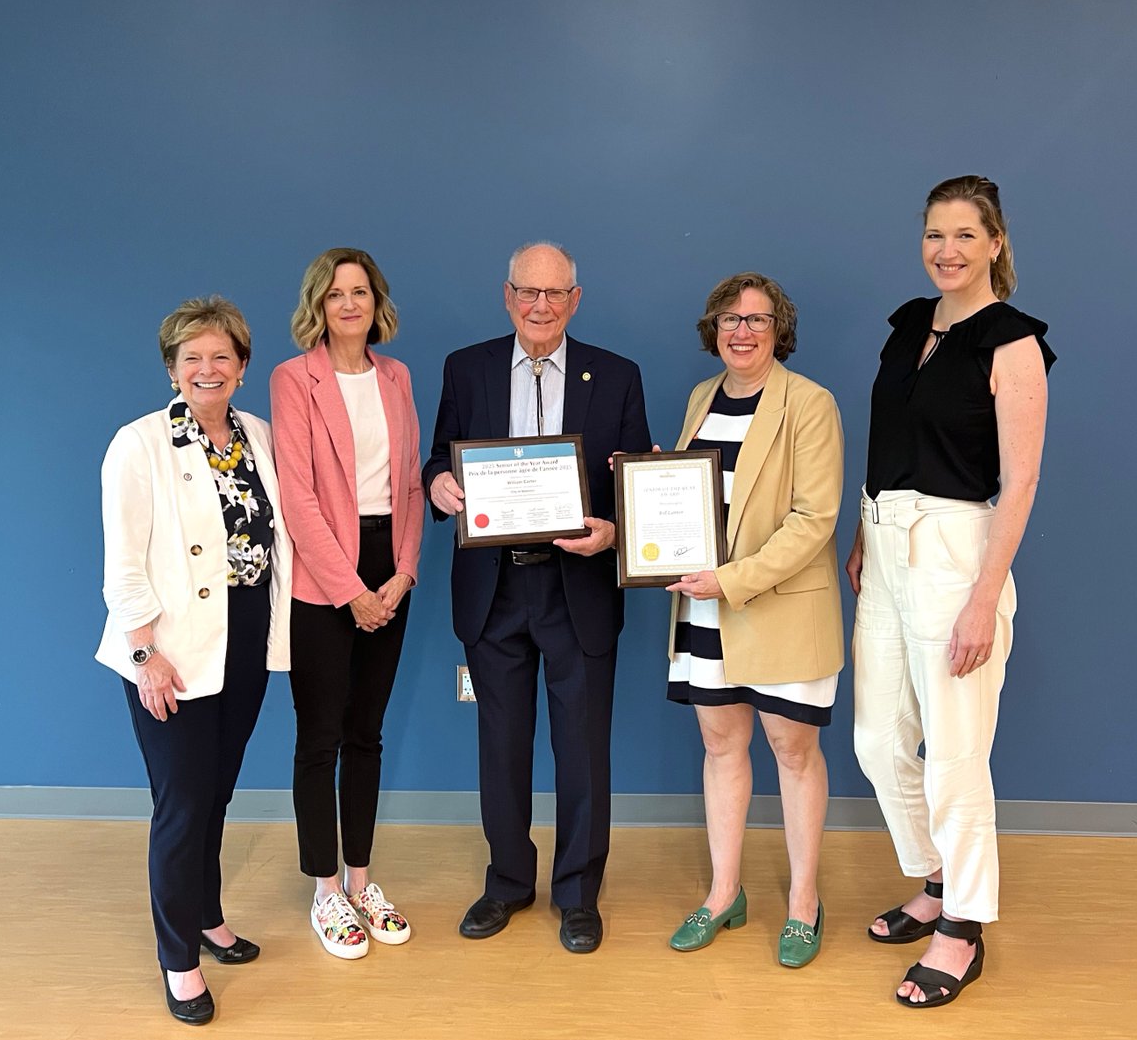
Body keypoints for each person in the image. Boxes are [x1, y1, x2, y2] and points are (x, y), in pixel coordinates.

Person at [849, 175, 1055, 1008]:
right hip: (885, 542)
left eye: (966, 235)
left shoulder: (1012, 344)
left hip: (955, 553)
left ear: (996, 244)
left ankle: (962, 926)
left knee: (955, 753)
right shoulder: (906, 327)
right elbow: (886, 440)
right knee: (877, 740)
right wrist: (866, 537)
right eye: (936, 234)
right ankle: (936, 877)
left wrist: (983, 596)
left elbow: (1023, 480)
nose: (948, 250)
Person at [422, 241, 651, 953]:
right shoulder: (468, 367)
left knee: (582, 748)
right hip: (493, 586)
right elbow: (438, 456)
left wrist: (614, 531)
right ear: (508, 295)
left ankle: (578, 895)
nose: (541, 306)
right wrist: (438, 485)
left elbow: (637, 476)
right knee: (502, 745)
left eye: (555, 294)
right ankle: (507, 883)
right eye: (528, 292)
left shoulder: (616, 376)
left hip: (574, 584)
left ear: (575, 300)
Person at [97, 296, 291, 1025]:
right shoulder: (138, 444)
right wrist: (144, 652)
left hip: (244, 637)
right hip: (169, 647)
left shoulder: (262, 438)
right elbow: (122, 564)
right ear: (172, 370)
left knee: (216, 792)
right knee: (181, 804)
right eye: (191, 359)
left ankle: (207, 915)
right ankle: (178, 959)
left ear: (243, 367)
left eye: (221, 357)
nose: (207, 370)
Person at [665, 273, 845, 967]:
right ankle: (723, 894)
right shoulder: (700, 399)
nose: (742, 331)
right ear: (713, 330)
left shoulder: (810, 403)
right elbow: (694, 496)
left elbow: (815, 519)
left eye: (757, 320)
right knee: (720, 749)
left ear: (780, 330)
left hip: (778, 610)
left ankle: (803, 905)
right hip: (707, 608)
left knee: (793, 754)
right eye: (729, 319)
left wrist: (731, 580)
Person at [270, 248, 423, 959]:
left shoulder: (397, 377)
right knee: (320, 738)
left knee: (368, 732)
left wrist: (404, 574)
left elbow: (413, 487)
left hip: (388, 565)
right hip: (323, 576)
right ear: (319, 306)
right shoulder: (292, 378)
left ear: (376, 301)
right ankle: (325, 891)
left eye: (360, 291)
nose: (349, 304)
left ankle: (362, 882)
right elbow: (298, 500)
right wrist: (353, 591)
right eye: (335, 295)